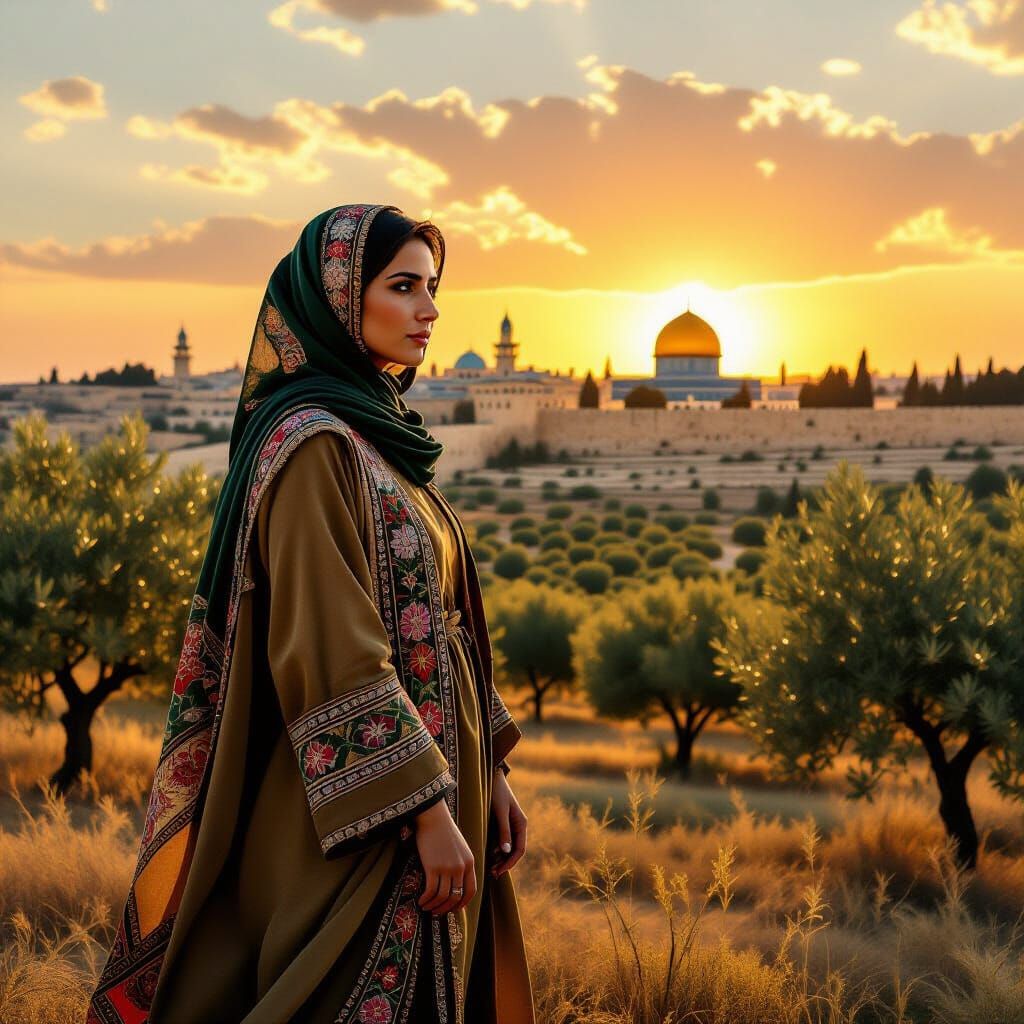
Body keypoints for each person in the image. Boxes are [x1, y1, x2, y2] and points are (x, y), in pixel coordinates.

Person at [86, 204, 535, 1023]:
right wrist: (424, 810)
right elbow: (332, 646)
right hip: (364, 816)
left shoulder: (383, 444)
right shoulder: (311, 445)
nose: (429, 310)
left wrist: (492, 773)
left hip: (437, 786)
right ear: (337, 299)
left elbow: (443, 624)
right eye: (403, 287)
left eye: (432, 289)